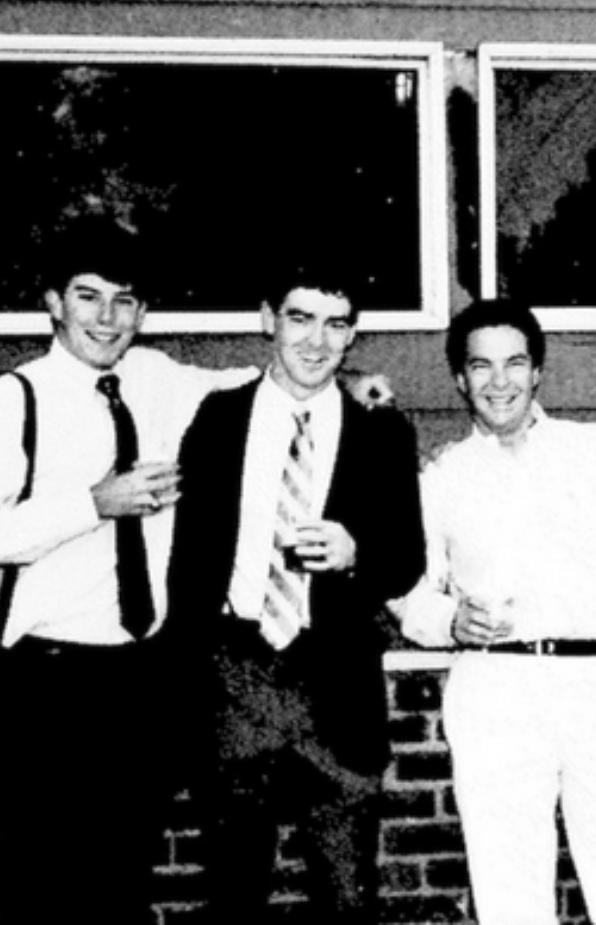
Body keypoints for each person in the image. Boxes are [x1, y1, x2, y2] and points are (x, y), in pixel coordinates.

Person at [0, 221, 261, 925]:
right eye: (88, 297)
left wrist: (357, 381)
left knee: (120, 878)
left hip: (141, 675)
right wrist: (92, 503)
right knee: (42, 878)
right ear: (53, 303)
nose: (107, 318)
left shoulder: (160, 379)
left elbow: (262, 388)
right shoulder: (7, 401)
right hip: (44, 677)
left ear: (143, 313)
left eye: (125, 300)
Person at [393, 298, 596, 925]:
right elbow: (409, 591)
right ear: (459, 379)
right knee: (510, 889)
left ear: (538, 373)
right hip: (498, 684)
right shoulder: (442, 476)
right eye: (481, 366)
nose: (499, 382)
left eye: (515, 363)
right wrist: (447, 620)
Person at [164, 260, 426, 925]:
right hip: (236, 674)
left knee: (346, 897)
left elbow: (406, 559)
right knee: (233, 893)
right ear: (267, 320)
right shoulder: (218, 417)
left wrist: (356, 553)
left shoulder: (381, 430)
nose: (316, 341)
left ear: (352, 335)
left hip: (334, 684)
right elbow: (189, 558)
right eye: (300, 318)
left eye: (335, 324)